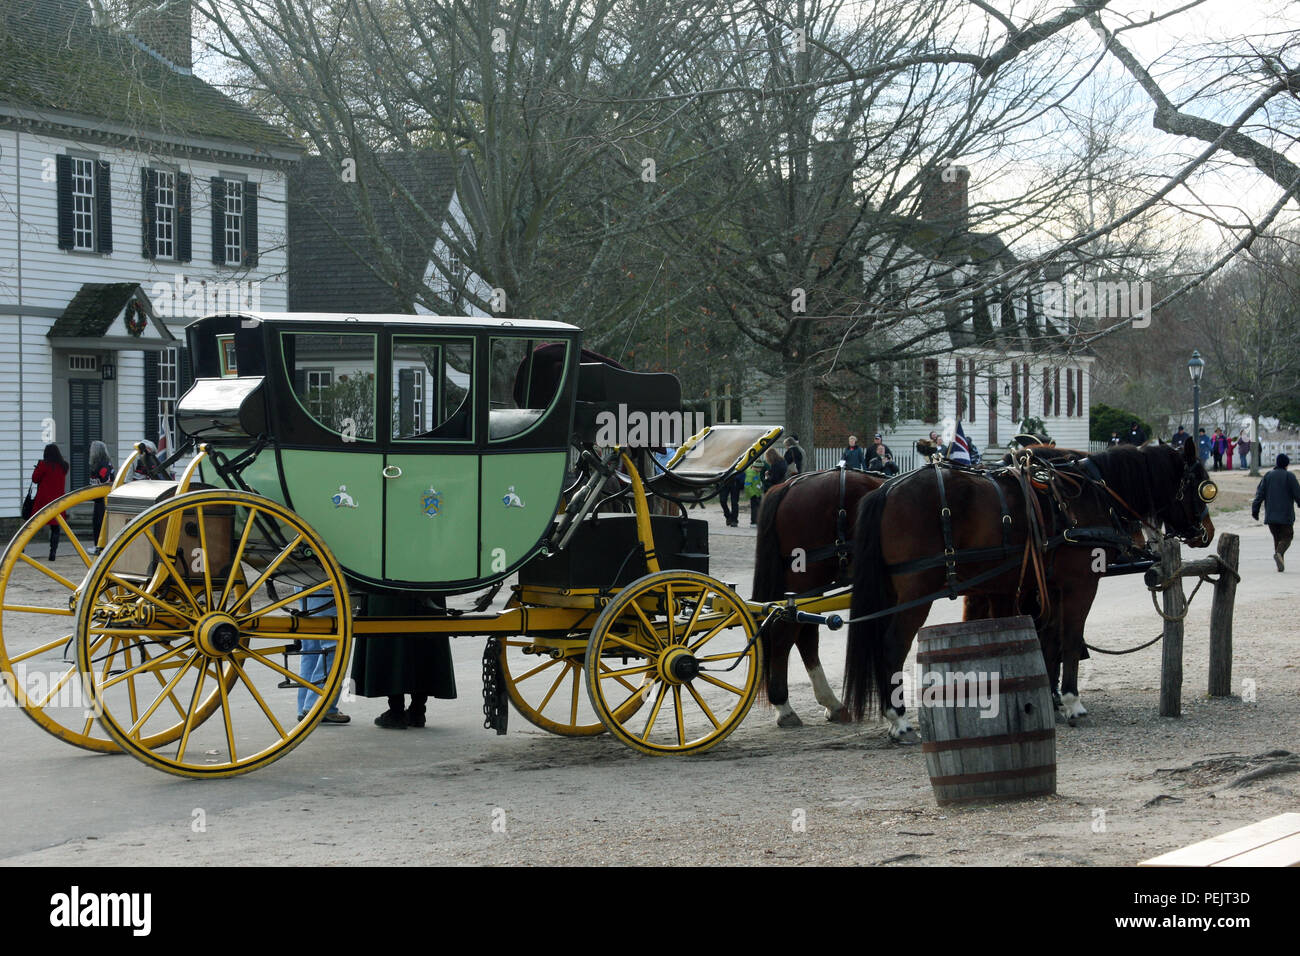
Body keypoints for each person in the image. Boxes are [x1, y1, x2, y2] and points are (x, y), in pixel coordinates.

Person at [352, 594, 456, 728]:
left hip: (388, 589)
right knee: (424, 642)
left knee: (392, 643)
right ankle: (417, 710)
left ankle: (396, 711)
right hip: (429, 586)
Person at [297, 591, 349, 724]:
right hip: (324, 582)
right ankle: (318, 705)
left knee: (311, 647)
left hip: (304, 579)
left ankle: (305, 705)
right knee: (333, 643)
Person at [1252, 454, 1300, 572]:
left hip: (1271, 516)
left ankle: (1280, 563)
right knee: (1287, 537)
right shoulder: (1289, 476)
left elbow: (1259, 494)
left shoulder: (1268, 476)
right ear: (1287, 464)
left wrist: (1255, 510)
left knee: (1277, 538)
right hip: (1286, 516)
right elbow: (1298, 494)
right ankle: (1279, 554)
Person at [31, 444, 69, 561]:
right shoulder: (64, 466)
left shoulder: (43, 465)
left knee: (33, 525)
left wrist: (37, 467)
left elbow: (35, 479)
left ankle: (21, 547)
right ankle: (53, 552)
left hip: (44, 500)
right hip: (58, 501)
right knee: (55, 528)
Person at [87, 440, 114, 554]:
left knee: (100, 523)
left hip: (103, 499)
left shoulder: (103, 465)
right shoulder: (98, 464)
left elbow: (106, 481)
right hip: (98, 499)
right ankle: (98, 545)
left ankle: (101, 547)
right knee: (97, 522)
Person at [743, 459, 764, 525]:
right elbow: (747, 485)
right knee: (754, 509)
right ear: (755, 467)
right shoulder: (750, 474)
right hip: (754, 495)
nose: (761, 469)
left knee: (759, 508)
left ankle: (757, 521)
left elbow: (757, 482)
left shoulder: (757, 472)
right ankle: (753, 522)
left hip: (758, 493)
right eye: (760, 468)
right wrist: (753, 494)